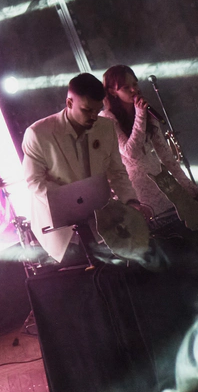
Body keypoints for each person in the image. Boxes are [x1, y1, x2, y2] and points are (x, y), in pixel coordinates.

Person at [19, 73, 146, 263]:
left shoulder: (106, 127)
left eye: (97, 109)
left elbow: (117, 173)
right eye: (87, 110)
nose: (94, 116)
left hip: (103, 223)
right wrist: (75, 202)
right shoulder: (38, 133)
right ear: (69, 102)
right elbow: (34, 182)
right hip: (63, 234)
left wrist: (131, 202)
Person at [101, 65, 198, 216]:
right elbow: (130, 152)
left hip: (161, 180)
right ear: (112, 92)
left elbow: (165, 154)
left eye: (135, 84)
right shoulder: (107, 119)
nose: (134, 90)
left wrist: (188, 185)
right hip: (138, 188)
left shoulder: (146, 112)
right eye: (126, 87)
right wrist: (140, 115)